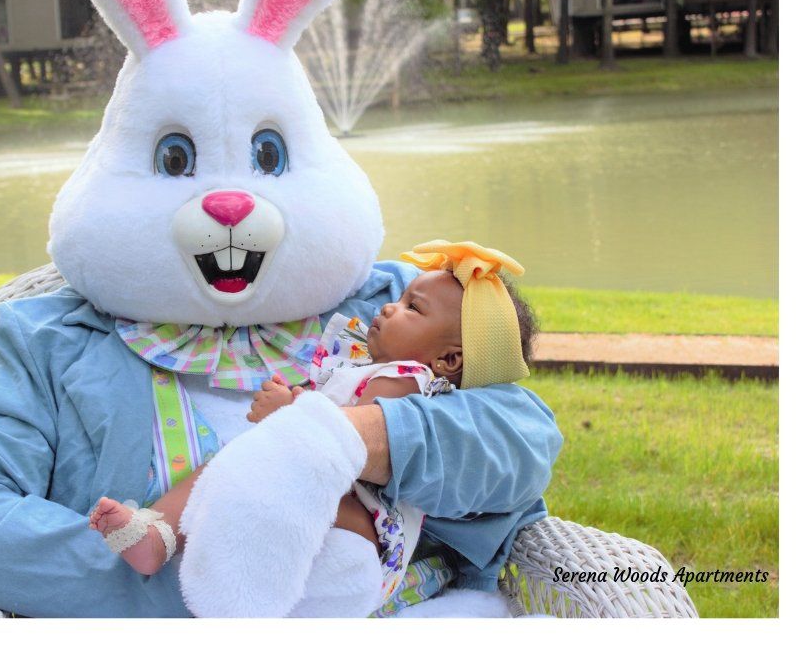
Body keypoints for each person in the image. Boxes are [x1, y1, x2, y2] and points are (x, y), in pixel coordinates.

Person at [88, 240, 541, 610]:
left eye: (411, 308)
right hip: (327, 496)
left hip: (362, 522)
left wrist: (291, 409)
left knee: (263, 483)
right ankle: (159, 534)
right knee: (223, 469)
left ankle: (240, 600)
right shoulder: (366, 366)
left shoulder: (407, 384)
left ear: (448, 359)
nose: (387, 308)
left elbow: (345, 440)